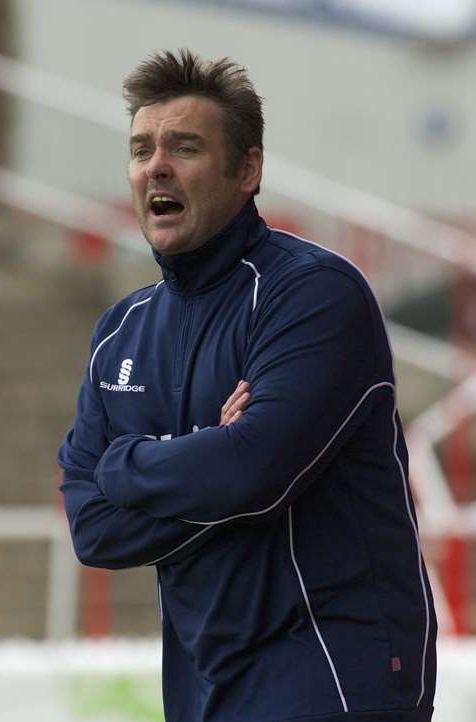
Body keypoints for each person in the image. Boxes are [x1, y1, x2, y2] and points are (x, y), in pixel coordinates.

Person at [58, 49, 437, 722]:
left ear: (248, 170)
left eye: (186, 147)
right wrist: (210, 449)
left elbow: (254, 471)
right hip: (202, 681)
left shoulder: (314, 294)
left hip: (330, 666)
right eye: (142, 149)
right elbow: (92, 527)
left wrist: (127, 461)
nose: (158, 167)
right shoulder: (122, 331)